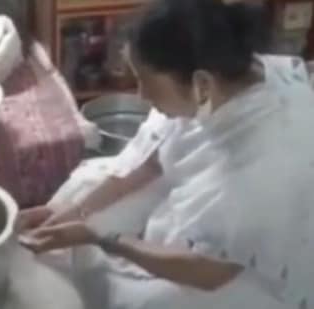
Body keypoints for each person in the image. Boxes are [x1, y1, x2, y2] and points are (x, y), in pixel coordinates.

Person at [19, 0, 314, 308]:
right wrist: (72, 212)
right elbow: (150, 161)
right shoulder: (221, 76)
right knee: (86, 184)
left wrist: (104, 239)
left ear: (201, 85)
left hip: (242, 275)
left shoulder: (270, 165)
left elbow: (208, 271)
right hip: (201, 191)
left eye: (145, 82)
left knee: (143, 301)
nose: (140, 96)